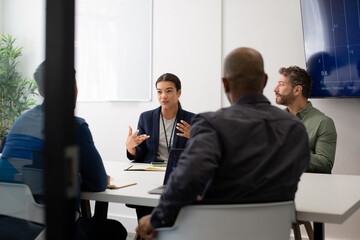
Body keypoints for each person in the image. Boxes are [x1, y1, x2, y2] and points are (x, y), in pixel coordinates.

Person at [136, 47, 310, 239]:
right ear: (265, 81)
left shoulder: (211, 124)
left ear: (225, 84)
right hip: (272, 232)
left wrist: (155, 219)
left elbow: (186, 182)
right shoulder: (296, 128)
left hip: (215, 233)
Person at [0, 61, 127, 240]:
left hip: (7, 226)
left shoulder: (19, 122)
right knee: (116, 230)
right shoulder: (74, 126)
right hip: (53, 227)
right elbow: (98, 182)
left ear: (40, 91)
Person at [274, 66, 337, 173]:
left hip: (308, 187)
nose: (275, 89)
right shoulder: (275, 120)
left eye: (281, 84)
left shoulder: (323, 123)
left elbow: (325, 164)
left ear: (297, 90)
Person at [126, 73, 195, 164]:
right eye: (159, 92)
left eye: (169, 91)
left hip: (180, 169)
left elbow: (201, 154)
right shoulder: (146, 118)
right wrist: (130, 147)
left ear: (178, 93)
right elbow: (141, 153)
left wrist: (195, 138)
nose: (163, 96)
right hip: (152, 169)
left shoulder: (192, 119)